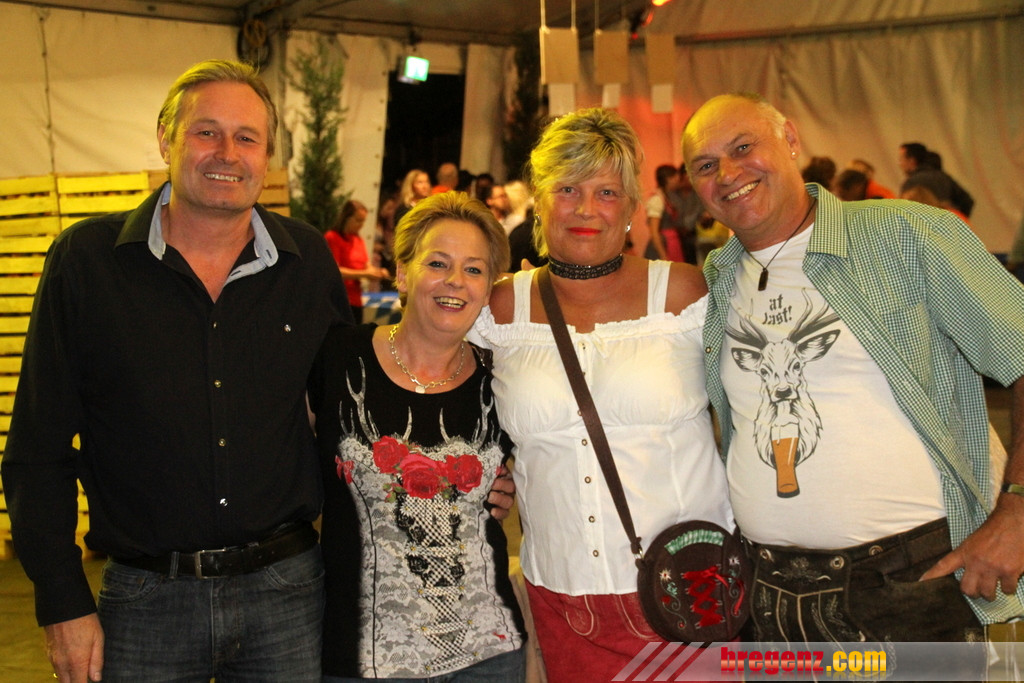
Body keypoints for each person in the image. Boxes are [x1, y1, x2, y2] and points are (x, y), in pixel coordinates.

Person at [0, 59, 353, 682]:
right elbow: (37, 450)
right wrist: (61, 601)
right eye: (206, 132)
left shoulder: (306, 263)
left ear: (268, 156)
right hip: (146, 604)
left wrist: (472, 471)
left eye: (247, 138)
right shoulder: (87, 264)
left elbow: (351, 416)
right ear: (166, 139)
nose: (228, 153)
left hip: (288, 595)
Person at [683, 92, 1024, 642]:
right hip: (768, 595)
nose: (727, 174)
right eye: (705, 165)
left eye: (743, 148)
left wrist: (1018, 514)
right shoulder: (718, 278)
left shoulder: (906, 234)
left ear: (790, 139)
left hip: (909, 586)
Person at [469, 107, 733, 681]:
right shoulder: (501, 307)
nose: (586, 209)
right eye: (567, 189)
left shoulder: (685, 293)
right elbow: (442, 390)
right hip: (564, 597)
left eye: (607, 192)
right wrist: (477, 473)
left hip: (690, 590)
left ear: (633, 206)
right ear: (539, 202)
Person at [309, 191, 525, 680]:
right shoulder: (337, 357)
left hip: (489, 657)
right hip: (361, 656)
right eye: (438, 263)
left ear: (489, 287)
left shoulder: (504, 379)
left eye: (474, 269)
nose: (455, 281)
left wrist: (515, 482)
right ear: (403, 273)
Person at [325, 199, 390, 322]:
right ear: (346, 218)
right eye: (358, 220)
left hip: (356, 300)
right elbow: (334, 271)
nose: (361, 225)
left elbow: (366, 266)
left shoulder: (358, 240)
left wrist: (378, 272)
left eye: (363, 221)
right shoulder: (332, 237)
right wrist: (365, 274)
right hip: (338, 300)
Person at [644, 163, 686, 261]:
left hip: (672, 241)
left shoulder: (668, 197)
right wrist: (663, 255)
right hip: (664, 243)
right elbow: (654, 232)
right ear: (668, 179)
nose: (678, 180)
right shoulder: (657, 200)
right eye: (675, 177)